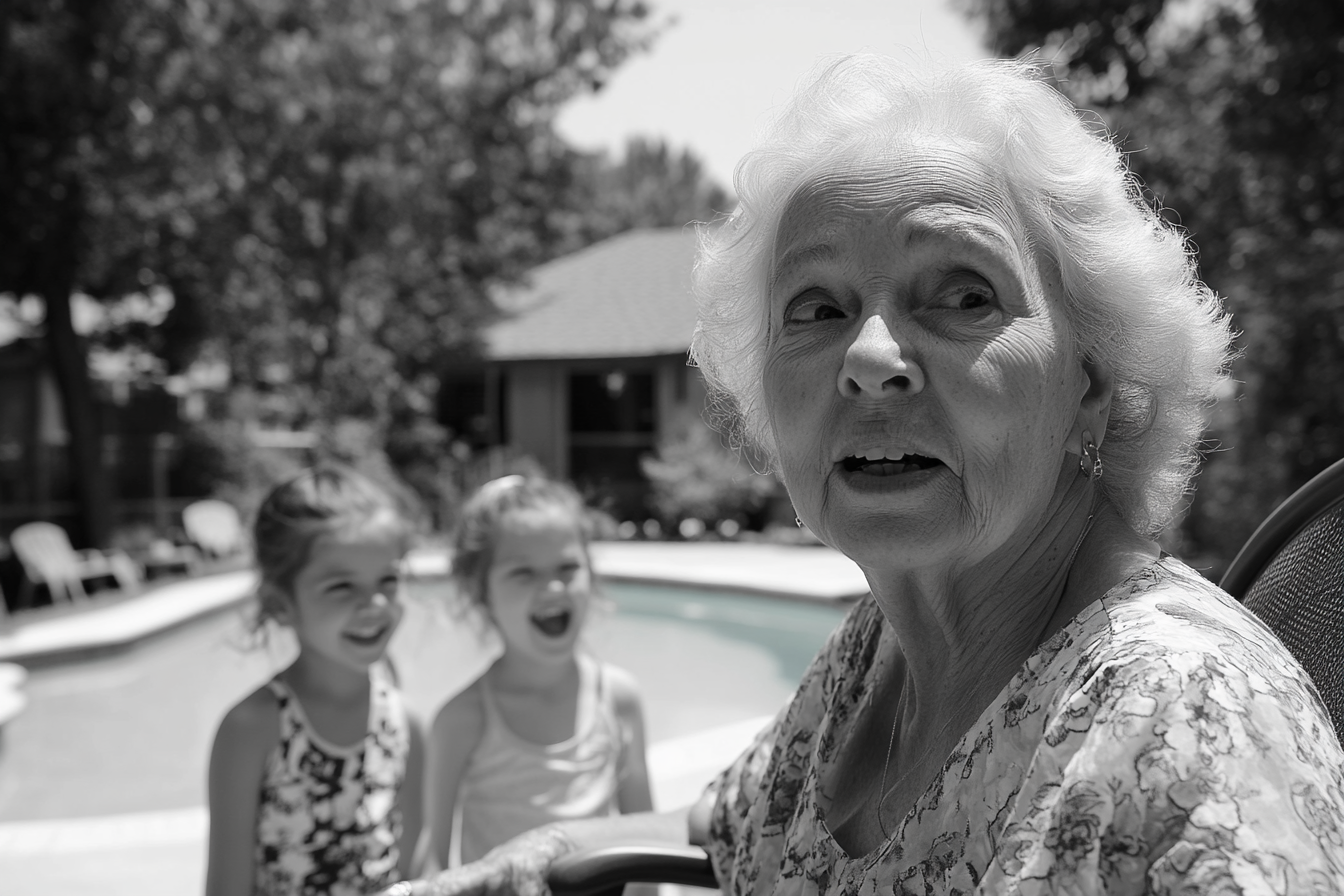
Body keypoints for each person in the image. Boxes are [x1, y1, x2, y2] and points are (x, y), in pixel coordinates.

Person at [377, 55, 1344, 896]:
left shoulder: (1190, 728)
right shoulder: (877, 654)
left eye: (964, 293)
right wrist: (537, 850)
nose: (871, 354)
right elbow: (716, 833)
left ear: (1093, 383)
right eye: (816, 308)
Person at [205, 464, 425, 896]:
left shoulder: (407, 726)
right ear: (280, 603)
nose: (375, 603)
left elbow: (419, 874)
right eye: (342, 586)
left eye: (388, 580)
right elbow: (226, 887)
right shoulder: (252, 728)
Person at [422, 475, 653, 871]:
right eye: (523, 572)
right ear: (481, 593)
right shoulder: (463, 719)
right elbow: (433, 860)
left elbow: (645, 838)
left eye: (567, 567)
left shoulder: (617, 699)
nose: (552, 588)